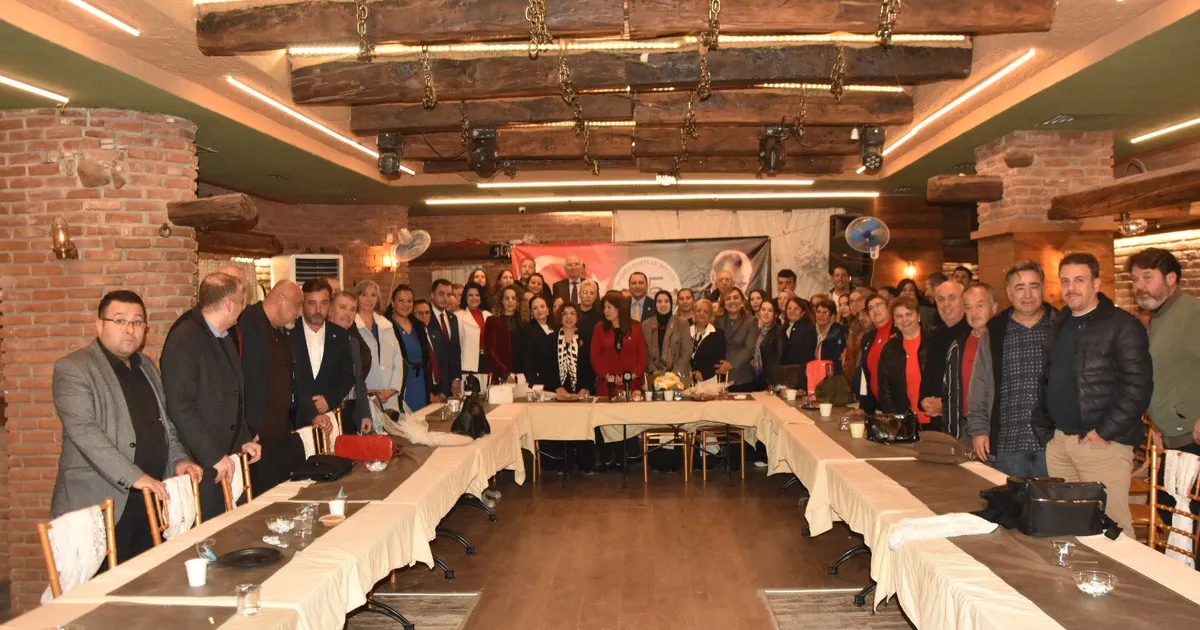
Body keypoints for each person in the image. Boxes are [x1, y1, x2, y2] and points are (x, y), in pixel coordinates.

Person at [52, 290, 202, 563]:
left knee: (148, 575)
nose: (130, 329)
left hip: (148, 499)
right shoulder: (74, 368)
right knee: (103, 585)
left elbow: (164, 423)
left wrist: (179, 459)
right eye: (120, 320)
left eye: (137, 322)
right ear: (99, 325)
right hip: (101, 500)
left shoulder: (147, 366)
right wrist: (135, 477)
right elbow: (85, 433)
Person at [1034, 253, 1151, 537]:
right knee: (1067, 526)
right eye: (1065, 281)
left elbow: (1138, 386)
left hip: (1102, 446)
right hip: (1060, 443)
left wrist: (1104, 432)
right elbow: (1048, 378)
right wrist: (1047, 431)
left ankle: (1124, 570)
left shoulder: (1122, 324)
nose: (1071, 288)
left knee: (1113, 530)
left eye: (1079, 280)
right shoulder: (1060, 322)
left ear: (1097, 283)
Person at [161, 273, 261, 518]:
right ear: (228, 304)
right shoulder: (185, 337)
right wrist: (213, 456)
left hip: (225, 455)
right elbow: (179, 406)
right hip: (201, 462)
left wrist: (244, 439)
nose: (243, 307)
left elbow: (233, 395)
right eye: (242, 301)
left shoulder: (221, 334)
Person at [965, 261, 1056, 477]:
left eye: (1034, 286)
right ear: (1009, 293)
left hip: (1054, 445)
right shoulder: (994, 332)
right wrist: (979, 430)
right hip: (1008, 445)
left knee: (1052, 499)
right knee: (1010, 499)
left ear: (1043, 289)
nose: (1028, 294)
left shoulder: (1061, 327)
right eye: (1020, 288)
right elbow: (980, 386)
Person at [238, 280, 306, 493]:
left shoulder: (280, 331)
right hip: (255, 434)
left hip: (278, 432)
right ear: (281, 299)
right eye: (298, 305)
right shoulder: (248, 323)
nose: (300, 312)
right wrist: (246, 429)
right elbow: (241, 382)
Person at [1130, 248, 1200, 452]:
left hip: (1193, 438)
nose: (1139, 286)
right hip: (1174, 437)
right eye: (1135, 279)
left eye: (1147, 277)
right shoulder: (1160, 316)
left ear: (1171, 278)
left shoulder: (1192, 314)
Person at [289, 278, 355, 440]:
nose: (318, 310)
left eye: (323, 303)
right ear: (302, 304)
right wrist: (309, 409)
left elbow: (347, 376)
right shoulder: (288, 333)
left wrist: (329, 400)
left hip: (329, 418)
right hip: (294, 419)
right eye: (312, 303)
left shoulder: (340, 335)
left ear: (330, 305)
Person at [918, 280, 971, 431]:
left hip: (964, 424)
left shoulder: (972, 335)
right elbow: (928, 374)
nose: (946, 304)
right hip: (935, 422)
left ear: (964, 301)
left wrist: (945, 405)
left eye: (952, 298)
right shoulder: (935, 335)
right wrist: (923, 400)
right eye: (941, 299)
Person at [948, 283, 997, 445]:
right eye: (968, 308)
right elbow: (949, 391)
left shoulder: (1003, 342)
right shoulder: (957, 345)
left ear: (994, 307)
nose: (974, 313)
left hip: (994, 427)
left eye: (980, 305)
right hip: (963, 428)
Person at [876, 296, 930, 426]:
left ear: (918, 316)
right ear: (894, 321)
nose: (905, 320)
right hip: (903, 422)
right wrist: (894, 419)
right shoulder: (889, 348)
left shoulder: (934, 342)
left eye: (909, 314)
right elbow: (884, 388)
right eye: (899, 316)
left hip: (934, 419)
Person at [354, 280, 404, 414]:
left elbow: (397, 361)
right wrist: (368, 391)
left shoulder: (386, 325)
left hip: (390, 397)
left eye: (373, 295)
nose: (369, 299)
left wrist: (391, 391)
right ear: (357, 297)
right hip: (365, 396)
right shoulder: (351, 327)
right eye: (364, 295)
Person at [330, 291, 373, 434]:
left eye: (353, 309)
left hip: (350, 414)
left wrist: (365, 413)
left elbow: (359, 381)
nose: (348, 314)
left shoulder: (353, 342)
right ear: (330, 309)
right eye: (342, 307)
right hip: (330, 415)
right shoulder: (320, 340)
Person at [591, 290, 648, 396]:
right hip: (607, 386)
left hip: (632, 386)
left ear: (619, 308)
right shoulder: (599, 327)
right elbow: (595, 357)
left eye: (609, 307)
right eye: (604, 308)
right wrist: (608, 376)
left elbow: (642, 356)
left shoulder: (636, 327)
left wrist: (632, 376)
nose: (606, 311)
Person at [387, 285, 430, 412]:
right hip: (400, 382)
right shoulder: (386, 326)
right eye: (401, 301)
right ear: (393, 303)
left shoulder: (419, 326)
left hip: (420, 381)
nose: (405, 305)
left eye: (409, 301)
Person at [642, 290, 692, 383]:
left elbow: (687, 352)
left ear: (671, 304)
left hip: (678, 377)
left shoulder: (682, 323)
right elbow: (644, 352)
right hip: (654, 377)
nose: (663, 304)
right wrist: (653, 371)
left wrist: (674, 374)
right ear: (655, 304)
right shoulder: (646, 325)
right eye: (659, 301)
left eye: (666, 301)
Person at [716, 288, 758, 391]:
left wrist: (731, 365)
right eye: (728, 299)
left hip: (742, 377)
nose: (732, 301)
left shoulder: (751, 321)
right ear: (723, 303)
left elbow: (749, 349)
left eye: (735, 298)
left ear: (742, 301)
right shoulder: (717, 321)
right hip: (719, 376)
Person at [484, 285, 527, 384]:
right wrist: (505, 374)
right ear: (502, 301)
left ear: (517, 302)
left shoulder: (524, 323)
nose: (510, 301)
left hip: (522, 376)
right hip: (500, 376)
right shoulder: (492, 321)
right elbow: (490, 351)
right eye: (507, 298)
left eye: (513, 298)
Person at [427, 279, 462, 400]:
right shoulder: (425, 316)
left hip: (450, 382)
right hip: (433, 382)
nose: (445, 298)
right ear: (432, 295)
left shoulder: (453, 318)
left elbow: (456, 350)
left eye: (448, 295)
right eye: (441, 294)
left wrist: (456, 378)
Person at [456, 281, 491, 390]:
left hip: (486, 361)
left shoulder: (489, 316)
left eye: (477, 295)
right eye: (470, 295)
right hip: (467, 363)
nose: (474, 298)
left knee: (487, 393)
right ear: (465, 297)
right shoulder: (458, 316)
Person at [521, 295, 559, 388]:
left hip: (558, 380)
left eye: (542, 306)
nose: (539, 310)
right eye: (535, 308)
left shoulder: (557, 328)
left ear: (548, 310)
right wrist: (534, 382)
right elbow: (527, 359)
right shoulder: (527, 330)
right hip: (539, 381)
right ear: (531, 312)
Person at [749, 300, 784, 391]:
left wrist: (773, 380)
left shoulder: (778, 331)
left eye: (770, 310)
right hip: (756, 375)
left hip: (770, 378)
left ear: (775, 314)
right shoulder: (756, 330)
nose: (766, 313)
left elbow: (779, 357)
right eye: (763, 310)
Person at [689, 299, 726, 383]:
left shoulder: (718, 334)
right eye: (699, 310)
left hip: (708, 380)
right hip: (687, 379)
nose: (702, 313)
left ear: (710, 315)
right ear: (694, 313)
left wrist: (705, 374)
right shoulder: (685, 331)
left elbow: (720, 361)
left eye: (706, 311)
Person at [782, 296, 818, 376]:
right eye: (789, 308)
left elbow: (807, 354)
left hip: (801, 372)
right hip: (785, 371)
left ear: (803, 312)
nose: (792, 311)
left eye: (796, 309)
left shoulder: (808, 328)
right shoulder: (784, 327)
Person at [812, 296, 847, 371]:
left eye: (825, 312)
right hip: (813, 372)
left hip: (833, 374)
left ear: (832, 316)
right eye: (818, 312)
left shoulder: (840, 332)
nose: (821, 315)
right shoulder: (810, 331)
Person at [577, 280, 603, 349]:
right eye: (585, 292)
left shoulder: (600, 317)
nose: (588, 296)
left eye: (592, 293)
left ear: (596, 296)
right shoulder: (572, 313)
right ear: (579, 294)